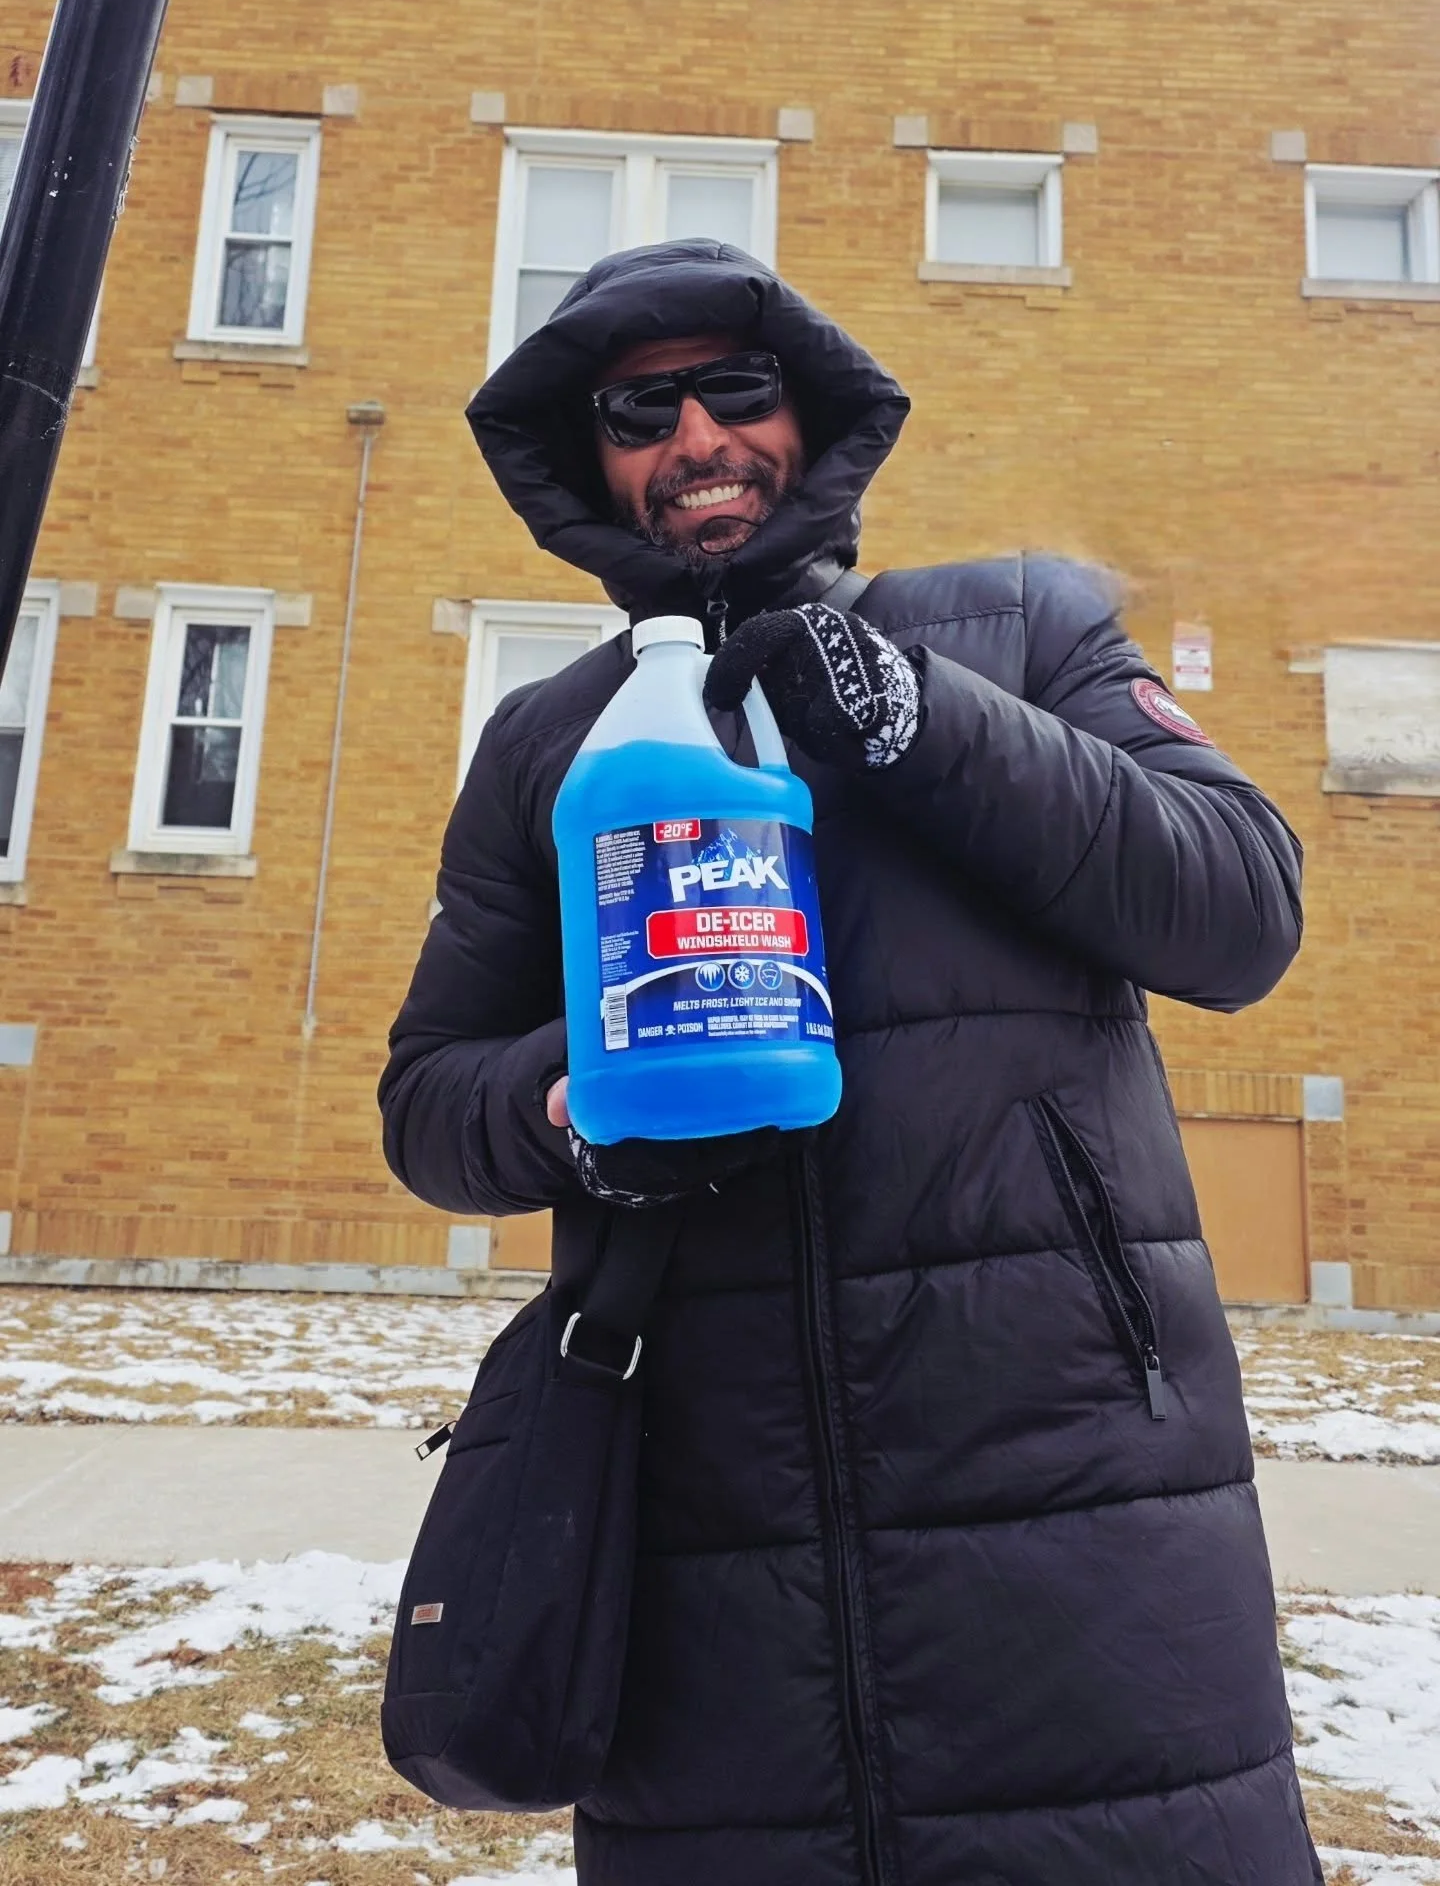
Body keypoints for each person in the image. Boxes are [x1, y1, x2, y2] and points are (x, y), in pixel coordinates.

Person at [380, 241, 1321, 1886]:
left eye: (735, 390)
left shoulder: (1018, 628)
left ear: (807, 414)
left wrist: (917, 718)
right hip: (698, 1549)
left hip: (1078, 1510)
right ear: (586, 462)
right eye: (639, 413)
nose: (697, 441)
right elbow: (428, 1099)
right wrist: (574, 1105)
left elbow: (1240, 910)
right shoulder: (547, 741)